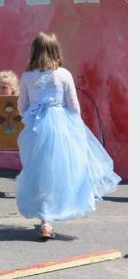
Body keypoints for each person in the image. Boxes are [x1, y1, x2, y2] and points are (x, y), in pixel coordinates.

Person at [16, 32, 120, 239]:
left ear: (34, 50)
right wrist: (76, 128)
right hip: (61, 127)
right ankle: (50, 219)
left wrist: (34, 113)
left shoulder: (27, 76)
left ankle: (45, 220)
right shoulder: (63, 74)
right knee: (61, 172)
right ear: (56, 50)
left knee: (40, 173)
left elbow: (21, 106)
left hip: (36, 128)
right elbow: (73, 105)